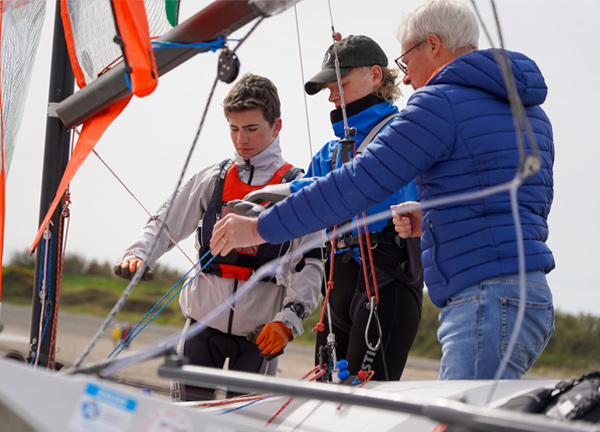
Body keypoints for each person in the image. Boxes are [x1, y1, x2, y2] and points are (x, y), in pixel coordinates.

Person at [210, 0, 555, 381]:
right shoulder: (530, 111)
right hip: (529, 295)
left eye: (406, 61)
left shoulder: (440, 102)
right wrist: (434, 218)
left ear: (434, 46)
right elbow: (517, 203)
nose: (405, 79)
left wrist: (257, 228)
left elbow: (357, 185)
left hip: (483, 301)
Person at [115, 73, 323, 400]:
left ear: (277, 126)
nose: (242, 140)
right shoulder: (213, 178)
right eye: (234, 129)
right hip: (201, 329)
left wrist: (288, 322)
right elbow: (165, 222)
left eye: (252, 129)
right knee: (185, 420)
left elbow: (310, 265)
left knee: (244, 425)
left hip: (260, 336)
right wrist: (140, 254)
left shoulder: (297, 188)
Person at [255, 35, 423, 381]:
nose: (332, 96)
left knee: (364, 409)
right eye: (329, 88)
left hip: (387, 284)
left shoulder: (403, 136)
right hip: (336, 290)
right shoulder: (330, 153)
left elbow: (392, 194)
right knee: (323, 402)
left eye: (341, 84)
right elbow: (305, 202)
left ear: (376, 76)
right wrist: (257, 207)